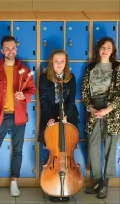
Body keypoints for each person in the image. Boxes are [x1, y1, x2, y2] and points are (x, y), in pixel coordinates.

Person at [0, 36, 36, 198]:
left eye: (13, 48)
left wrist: (23, 96)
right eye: (7, 48)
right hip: (1, 116)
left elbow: (32, 90)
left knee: (17, 150)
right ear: (2, 51)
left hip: (19, 116)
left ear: (16, 49)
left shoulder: (25, 70)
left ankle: (14, 182)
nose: (11, 51)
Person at [38, 50, 79, 202]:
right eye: (56, 61)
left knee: (68, 149)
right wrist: (50, 119)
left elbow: (72, 99)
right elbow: (43, 99)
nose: (59, 64)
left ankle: (68, 185)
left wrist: (66, 115)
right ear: (51, 62)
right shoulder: (44, 77)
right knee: (52, 150)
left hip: (68, 115)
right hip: (50, 114)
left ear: (66, 62)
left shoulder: (71, 77)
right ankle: (52, 187)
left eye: (62, 61)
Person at [82, 37, 120, 199]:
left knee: (110, 148)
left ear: (113, 51)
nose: (105, 50)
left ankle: (106, 183)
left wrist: (107, 109)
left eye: (109, 48)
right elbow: (84, 91)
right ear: (98, 49)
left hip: (112, 111)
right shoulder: (91, 67)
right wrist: (90, 107)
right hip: (94, 109)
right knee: (93, 146)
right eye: (103, 47)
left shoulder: (117, 68)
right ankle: (97, 180)